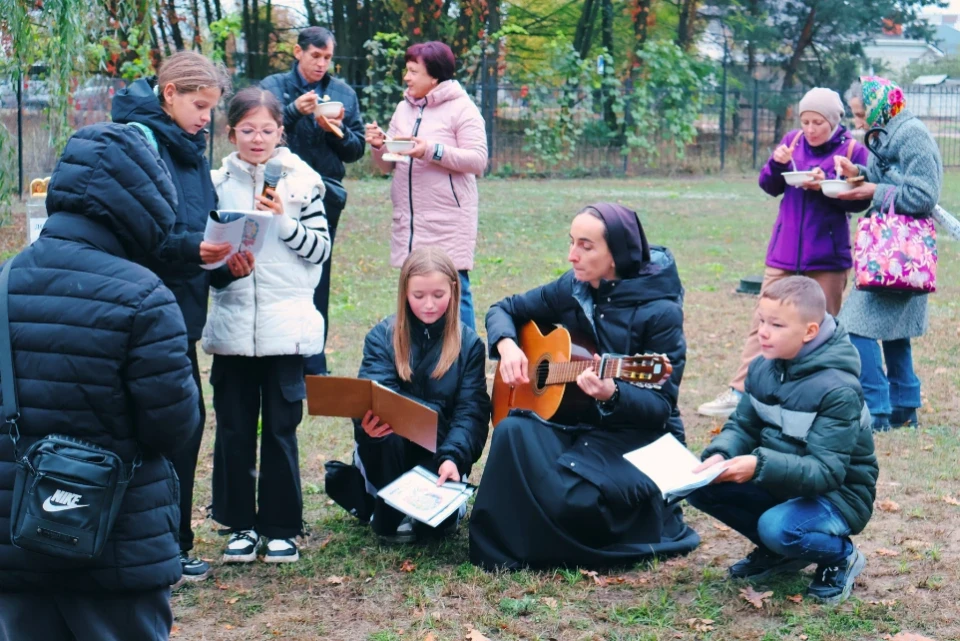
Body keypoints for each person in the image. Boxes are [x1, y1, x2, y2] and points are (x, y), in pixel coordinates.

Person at [0, 123, 200, 639]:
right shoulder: (145, 297)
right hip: (117, 542)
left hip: (15, 539)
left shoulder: (3, 283)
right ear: (145, 205)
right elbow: (171, 429)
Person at [469, 203, 700, 569]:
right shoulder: (573, 286)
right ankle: (499, 551)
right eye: (571, 242)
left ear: (617, 254)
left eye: (585, 246)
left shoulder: (661, 312)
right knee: (512, 431)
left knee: (574, 499)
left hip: (635, 437)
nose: (571, 255)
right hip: (575, 422)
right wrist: (508, 345)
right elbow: (504, 309)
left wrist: (614, 393)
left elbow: (659, 411)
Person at [112, 50, 252, 582]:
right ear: (168, 93)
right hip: (139, 316)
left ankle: (173, 544)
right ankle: (145, 546)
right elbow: (139, 235)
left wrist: (227, 266)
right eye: (198, 105)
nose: (205, 119)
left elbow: (199, 235)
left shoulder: (191, 149)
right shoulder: (136, 143)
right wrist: (194, 251)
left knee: (183, 432)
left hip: (180, 318)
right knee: (156, 434)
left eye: (211, 109)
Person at [688, 276, 878, 605]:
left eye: (776, 324)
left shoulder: (838, 390)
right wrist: (721, 455)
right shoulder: (762, 368)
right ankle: (780, 554)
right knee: (702, 486)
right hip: (785, 482)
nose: (763, 331)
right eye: (761, 320)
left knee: (779, 528)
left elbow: (827, 472)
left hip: (839, 495)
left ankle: (840, 557)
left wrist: (758, 465)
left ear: (809, 332)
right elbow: (743, 425)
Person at [203, 87, 332, 564]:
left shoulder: (303, 180)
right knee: (234, 429)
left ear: (281, 131)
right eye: (247, 130)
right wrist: (223, 270)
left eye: (267, 130)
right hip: (233, 325)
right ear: (231, 131)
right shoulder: (214, 182)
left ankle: (280, 527)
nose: (257, 139)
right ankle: (238, 524)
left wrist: (285, 224)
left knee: (281, 428)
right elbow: (204, 256)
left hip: (287, 327)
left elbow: (321, 250)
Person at [698, 88, 870, 419]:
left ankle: (819, 395)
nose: (810, 129)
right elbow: (770, 186)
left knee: (821, 327)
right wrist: (775, 165)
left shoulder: (852, 150)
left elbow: (861, 199)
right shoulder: (792, 142)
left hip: (827, 256)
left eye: (817, 122)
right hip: (784, 253)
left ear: (833, 121)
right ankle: (740, 392)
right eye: (805, 121)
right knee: (763, 322)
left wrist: (828, 185)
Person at [326, 247, 490, 543]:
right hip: (389, 451)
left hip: (441, 454)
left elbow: (471, 413)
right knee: (387, 524)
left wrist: (453, 458)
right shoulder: (381, 337)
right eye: (418, 296)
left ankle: (444, 503)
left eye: (438, 295)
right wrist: (366, 427)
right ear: (404, 293)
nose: (429, 305)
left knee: (435, 531)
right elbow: (375, 396)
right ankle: (385, 501)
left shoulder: (469, 345)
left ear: (454, 290)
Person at [835, 76, 943, 431]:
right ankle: (904, 406)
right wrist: (859, 174)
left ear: (880, 106)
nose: (858, 123)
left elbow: (923, 195)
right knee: (895, 332)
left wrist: (872, 189)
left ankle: (877, 408)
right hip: (892, 250)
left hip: (899, 251)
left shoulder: (911, 134)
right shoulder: (887, 131)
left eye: (861, 114)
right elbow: (888, 178)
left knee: (855, 326)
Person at [261, 26, 366, 376]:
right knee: (278, 269)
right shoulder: (273, 88)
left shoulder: (342, 93)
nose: (321, 64)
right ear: (298, 52)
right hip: (278, 193)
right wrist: (292, 110)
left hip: (325, 194)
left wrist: (335, 131)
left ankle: (313, 360)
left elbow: (355, 150)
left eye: (327, 57)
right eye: (315, 56)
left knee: (317, 273)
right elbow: (261, 129)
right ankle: (276, 352)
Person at [365, 41, 488, 330]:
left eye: (412, 71)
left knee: (456, 290)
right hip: (410, 221)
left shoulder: (462, 109)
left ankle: (466, 361)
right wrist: (378, 145)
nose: (406, 77)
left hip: (448, 219)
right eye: (406, 70)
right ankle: (421, 361)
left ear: (433, 77)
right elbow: (387, 164)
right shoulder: (403, 108)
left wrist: (430, 150)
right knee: (415, 293)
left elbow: (478, 160)